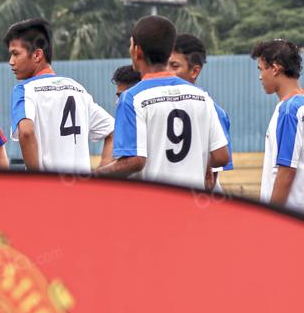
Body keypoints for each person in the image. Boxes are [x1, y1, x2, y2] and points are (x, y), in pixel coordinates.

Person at [95, 16, 227, 190]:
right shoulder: (202, 97)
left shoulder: (132, 98)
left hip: (158, 206)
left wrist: (94, 176)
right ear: (169, 50)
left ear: (137, 51)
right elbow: (221, 156)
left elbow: (134, 161)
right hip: (194, 205)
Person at [5, 18, 113, 173]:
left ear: (37, 55)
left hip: (50, 192)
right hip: (81, 191)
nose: (11, 61)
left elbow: (26, 133)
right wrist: (102, 171)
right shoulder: (78, 89)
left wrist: (36, 182)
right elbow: (114, 131)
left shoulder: (24, 90)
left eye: (15, 54)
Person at [250, 39, 304, 214]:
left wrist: (271, 215)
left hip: (290, 215)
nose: (260, 76)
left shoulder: (289, 109)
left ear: (275, 68)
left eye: (261, 69)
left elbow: (287, 171)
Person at [169, 33, 233, 174]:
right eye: (165, 65)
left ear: (194, 71)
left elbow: (216, 167)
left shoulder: (212, 110)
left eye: (174, 66)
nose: (167, 72)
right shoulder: (157, 103)